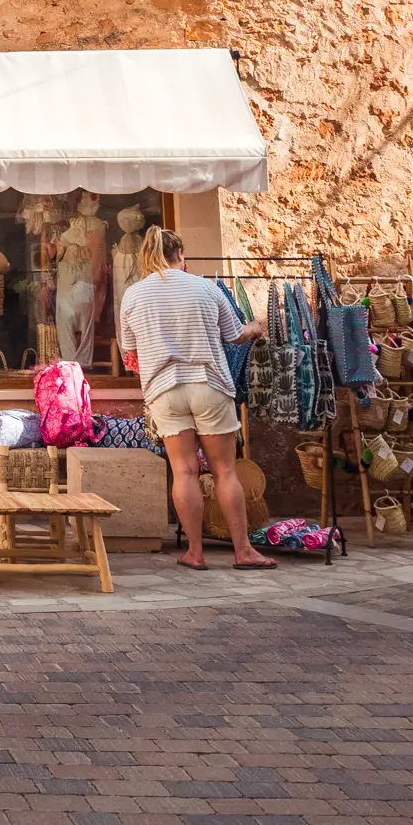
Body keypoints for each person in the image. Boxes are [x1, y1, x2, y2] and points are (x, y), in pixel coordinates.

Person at [118, 226, 274, 572]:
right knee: (224, 471)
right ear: (181, 255)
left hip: (165, 390)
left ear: (146, 257)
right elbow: (235, 336)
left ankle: (195, 552)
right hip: (210, 385)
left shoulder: (133, 296)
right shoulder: (206, 287)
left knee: (185, 472)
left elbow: (131, 356)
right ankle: (243, 551)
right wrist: (255, 326)